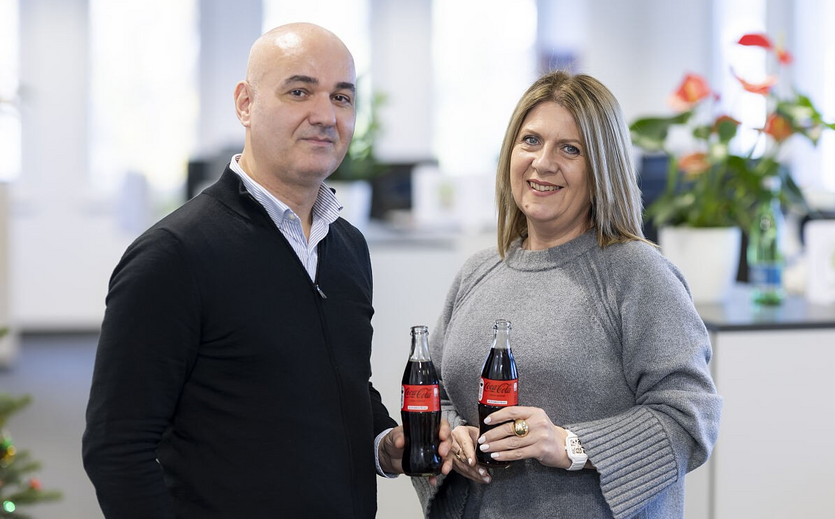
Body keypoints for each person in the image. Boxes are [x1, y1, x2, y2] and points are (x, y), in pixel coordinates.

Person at [82, 23, 451, 519]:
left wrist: (384, 443)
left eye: (341, 97)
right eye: (299, 91)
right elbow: (116, 448)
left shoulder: (347, 247)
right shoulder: (174, 255)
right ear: (245, 103)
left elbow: (340, 385)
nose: (325, 115)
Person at [413, 71, 722, 519]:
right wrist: (451, 435)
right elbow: (439, 392)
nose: (543, 163)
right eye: (531, 141)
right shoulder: (478, 272)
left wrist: (568, 445)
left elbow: (691, 417)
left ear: (602, 169)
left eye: (570, 149)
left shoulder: (638, 273)